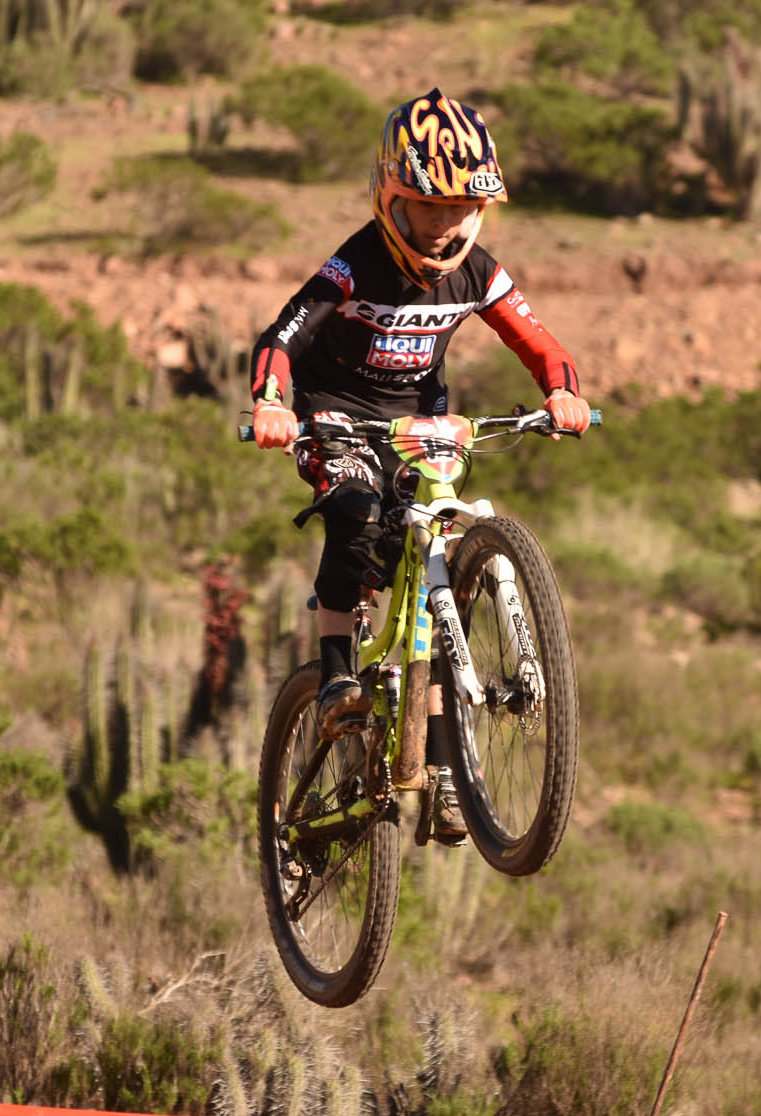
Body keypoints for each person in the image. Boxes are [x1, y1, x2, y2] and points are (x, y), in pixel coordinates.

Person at [247, 88, 590, 846]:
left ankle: (444, 769)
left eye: (459, 209)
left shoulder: (480, 273)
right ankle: (336, 671)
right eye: (426, 208)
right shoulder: (354, 265)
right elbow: (280, 337)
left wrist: (562, 391)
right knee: (355, 513)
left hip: (420, 418)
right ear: (389, 197)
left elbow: (537, 340)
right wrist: (271, 402)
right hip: (335, 410)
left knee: (430, 564)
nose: (442, 226)